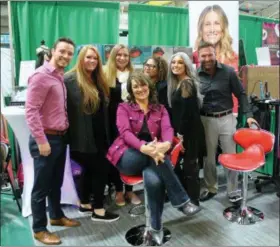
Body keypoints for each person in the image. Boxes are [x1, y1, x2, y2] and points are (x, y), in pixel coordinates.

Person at [107, 72, 201, 246]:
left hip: (153, 157)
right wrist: (145, 147)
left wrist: (165, 144)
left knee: (155, 181)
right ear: (131, 90)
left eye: (143, 85)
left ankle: (155, 228)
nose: (140, 89)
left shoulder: (160, 109)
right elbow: (125, 133)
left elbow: (167, 128)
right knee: (156, 158)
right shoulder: (124, 107)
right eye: (135, 86)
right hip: (128, 156)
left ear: (149, 87)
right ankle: (181, 200)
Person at [26, 37, 80, 245]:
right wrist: (41, 141)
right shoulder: (41, 76)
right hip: (46, 139)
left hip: (59, 138)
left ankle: (56, 215)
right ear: (52, 52)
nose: (66, 56)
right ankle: (39, 229)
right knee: (41, 186)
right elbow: (31, 111)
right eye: (62, 51)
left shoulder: (59, 77)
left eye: (69, 53)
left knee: (55, 182)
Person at [197, 41, 258, 203]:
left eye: (210, 54)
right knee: (208, 157)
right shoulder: (195, 75)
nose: (207, 58)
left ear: (215, 54)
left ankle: (233, 190)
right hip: (206, 120)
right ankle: (211, 187)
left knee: (230, 155)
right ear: (199, 57)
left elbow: (241, 93)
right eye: (204, 55)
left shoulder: (229, 72)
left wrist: (249, 114)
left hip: (226, 118)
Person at [64, 45, 119, 222]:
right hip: (82, 137)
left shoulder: (97, 78)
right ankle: (99, 210)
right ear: (80, 59)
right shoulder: (70, 79)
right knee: (100, 169)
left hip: (99, 133)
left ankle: (85, 203)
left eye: (95, 58)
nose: (92, 61)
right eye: (88, 57)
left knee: (91, 169)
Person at [104, 44, 141, 206]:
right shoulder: (105, 74)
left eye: (125, 55)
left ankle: (130, 190)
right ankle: (118, 191)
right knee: (115, 154)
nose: (122, 58)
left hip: (132, 121)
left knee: (130, 154)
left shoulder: (135, 74)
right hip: (111, 121)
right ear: (113, 56)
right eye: (119, 55)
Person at [167, 52, 205, 206]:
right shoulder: (178, 82)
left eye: (180, 63)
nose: (176, 65)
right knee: (181, 166)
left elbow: (186, 114)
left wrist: (181, 136)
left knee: (190, 167)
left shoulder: (186, 83)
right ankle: (185, 196)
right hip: (182, 131)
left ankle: (194, 201)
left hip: (188, 132)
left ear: (186, 66)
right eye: (173, 62)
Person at [192, 4, 238, 114]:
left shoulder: (232, 58)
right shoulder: (192, 58)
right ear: (201, 29)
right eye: (207, 24)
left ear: (223, 28)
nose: (212, 29)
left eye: (217, 23)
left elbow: (236, 93)